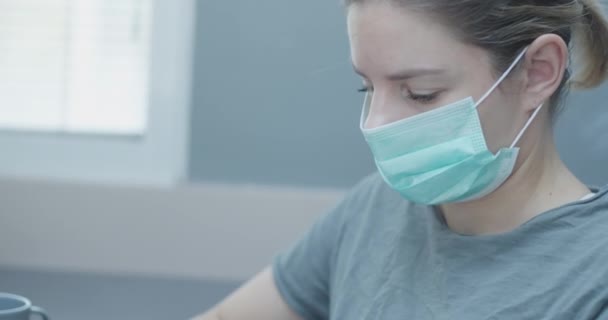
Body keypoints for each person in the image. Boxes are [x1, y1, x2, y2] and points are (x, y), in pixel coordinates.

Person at [193, 0, 608, 319]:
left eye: (420, 92)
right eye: (366, 88)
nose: (377, 124)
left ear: (538, 72)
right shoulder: (375, 209)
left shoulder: (592, 279)